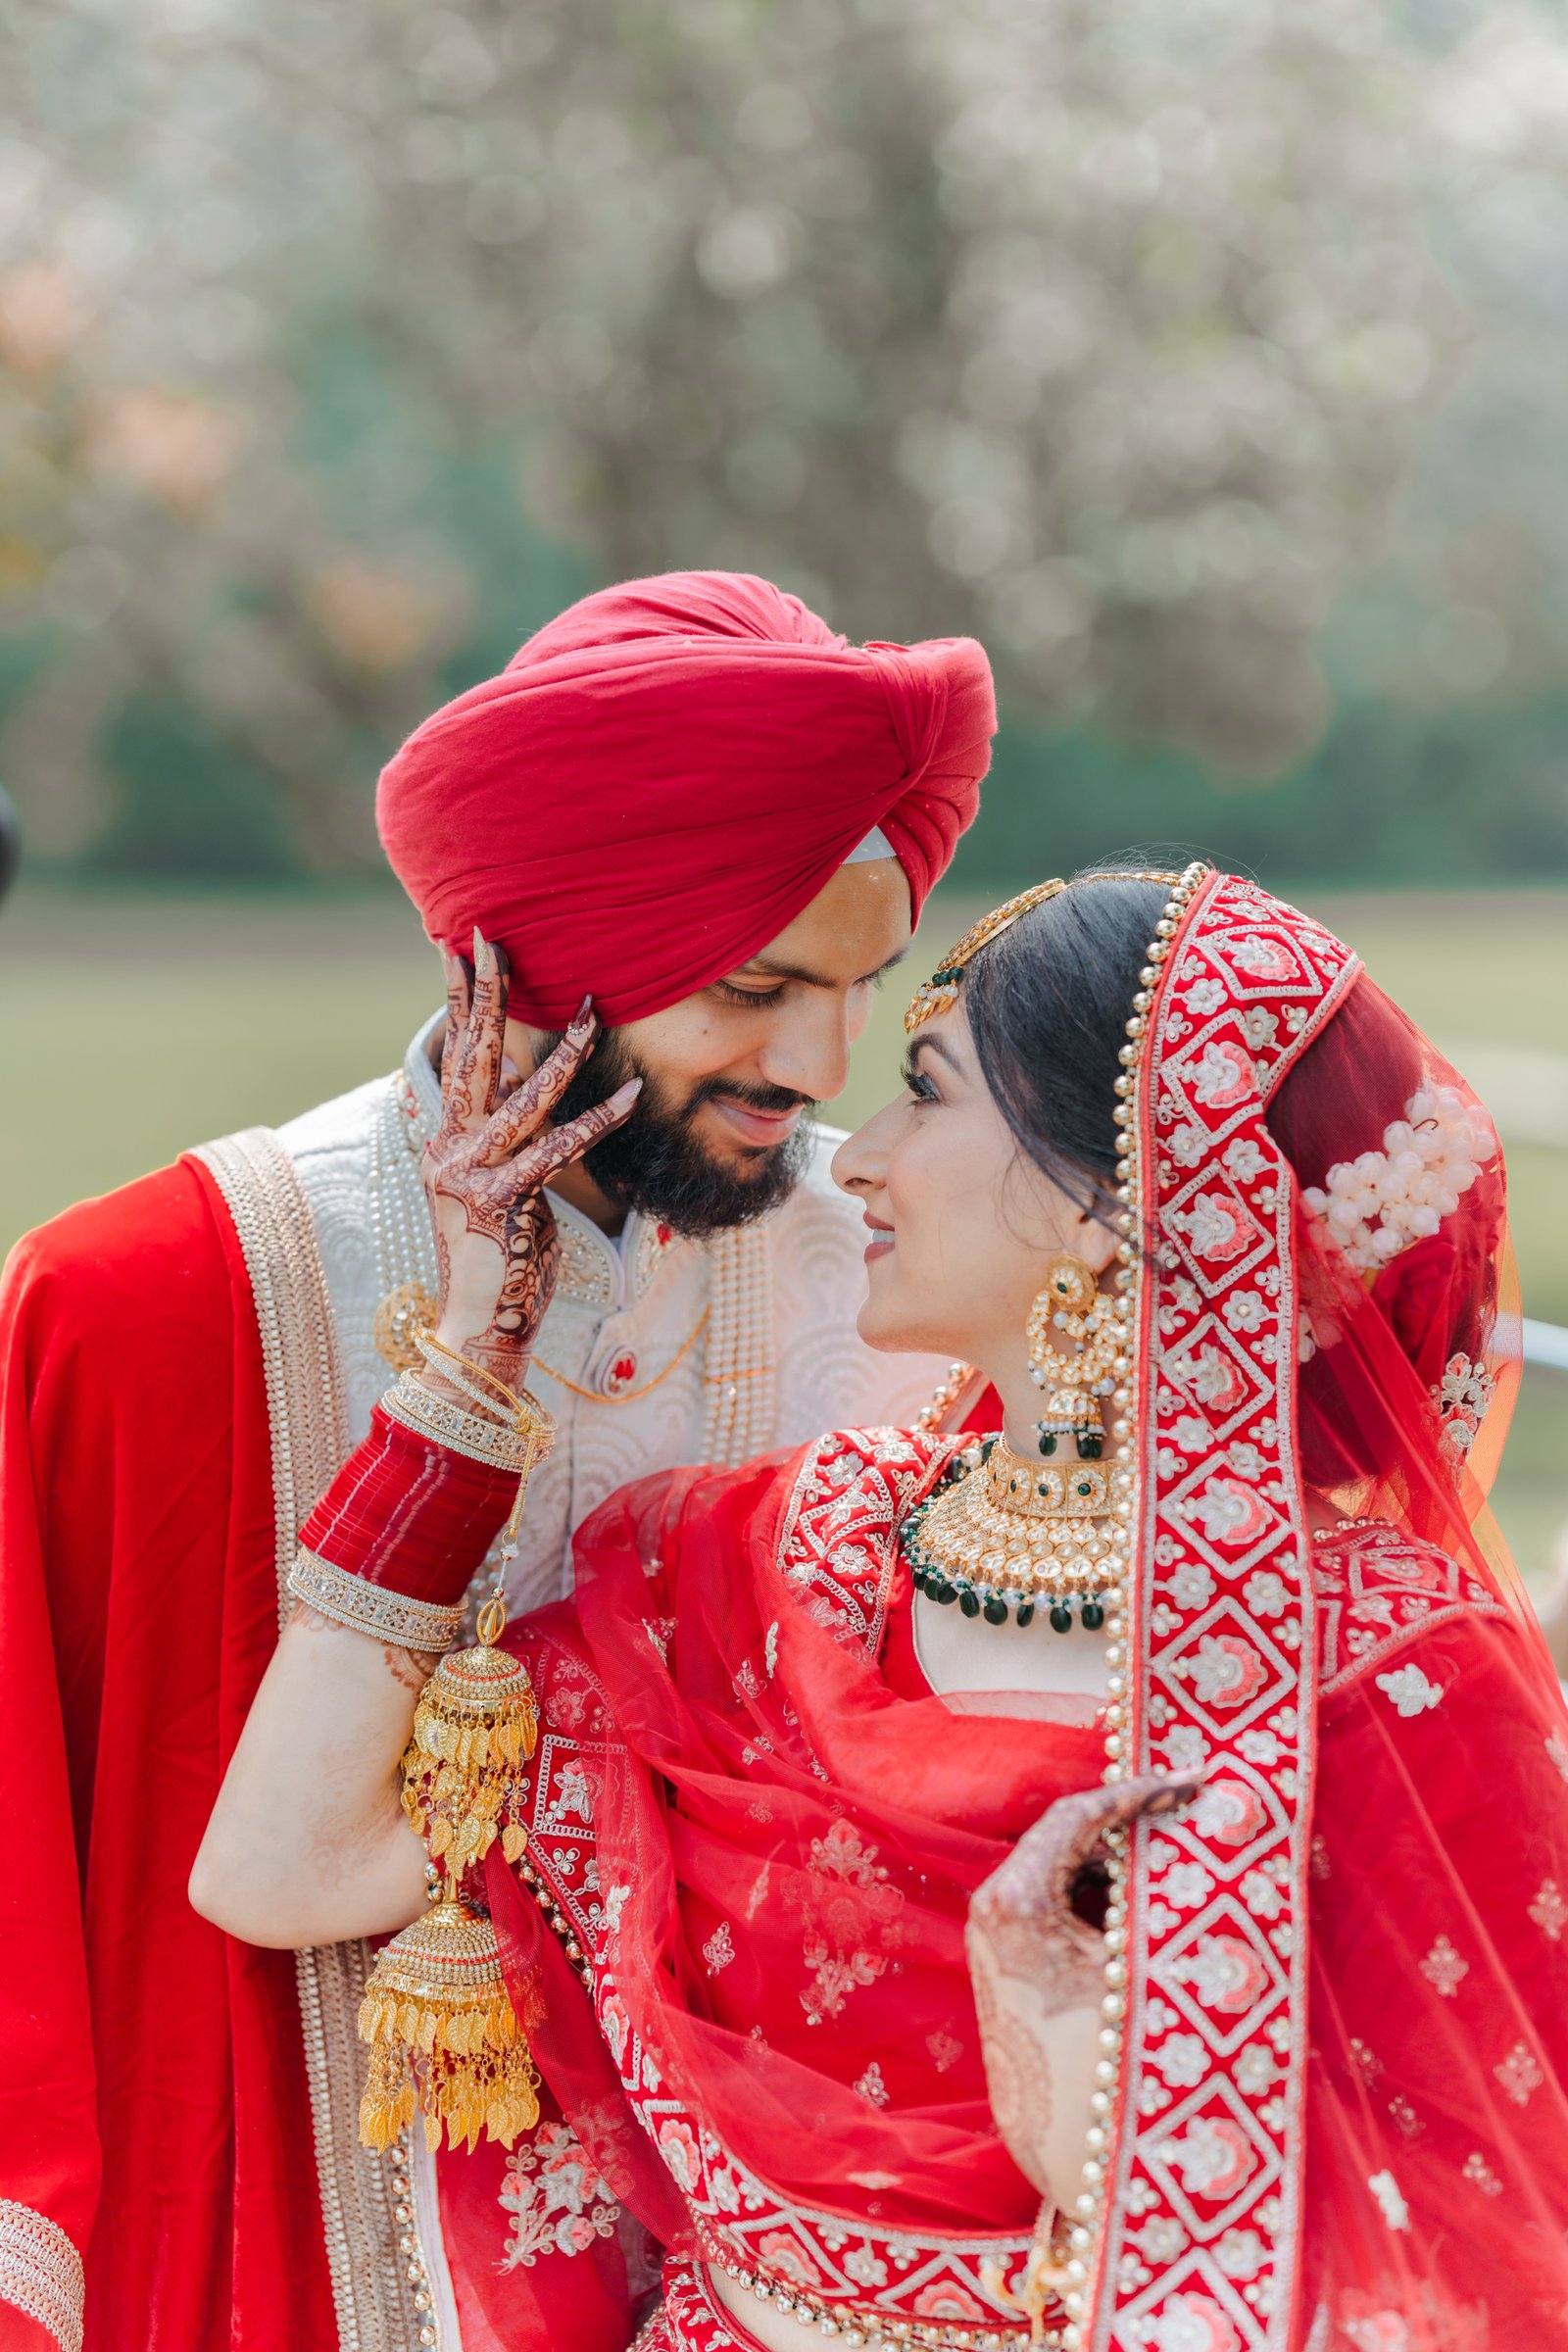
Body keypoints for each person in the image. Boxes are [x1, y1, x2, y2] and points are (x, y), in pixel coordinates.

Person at [193, 860, 1568, 2352]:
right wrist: (471, 1356)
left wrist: (1099, 2133)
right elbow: (285, 1870)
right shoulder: (745, 1574)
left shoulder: (1392, 1673)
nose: (857, 1159)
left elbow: (1480, 2261)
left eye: (926, 1090)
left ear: (1120, 1191)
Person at [0, 572, 997, 2352]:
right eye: (759, 989)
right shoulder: (146, 1309)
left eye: (861, 989)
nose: (821, 1065)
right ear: (534, 956)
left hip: (791, 2261)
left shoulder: (901, 1284)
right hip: (288, 2253)